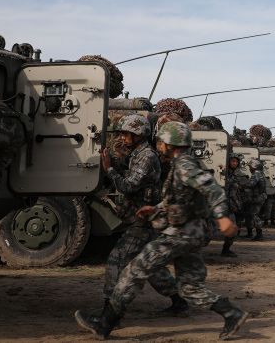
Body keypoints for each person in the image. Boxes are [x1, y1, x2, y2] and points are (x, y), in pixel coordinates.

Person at [74, 121, 248, 340]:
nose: (158, 145)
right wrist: (156, 208)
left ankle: (105, 323)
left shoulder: (184, 165)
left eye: (161, 141)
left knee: (134, 270)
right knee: (189, 287)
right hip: (192, 233)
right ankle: (232, 313)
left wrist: (223, 218)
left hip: (180, 233)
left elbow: (211, 188)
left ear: (169, 143)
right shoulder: (182, 163)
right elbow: (181, 198)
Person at [100, 114, 187, 318]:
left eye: (127, 133)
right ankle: (179, 301)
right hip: (143, 218)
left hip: (143, 221)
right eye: (121, 133)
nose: (122, 137)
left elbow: (129, 186)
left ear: (139, 134)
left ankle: (108, 313)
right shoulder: (138, 153)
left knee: (117, 260)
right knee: (150, 265)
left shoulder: (147, 156)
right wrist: (117, 163)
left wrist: (110, 169)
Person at [222, 153, 244, 257]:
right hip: (222, 205)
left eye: (236, 161)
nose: (234, 163)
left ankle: (226, 250)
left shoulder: (233, 174)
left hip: (229, 207)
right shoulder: (224, 174)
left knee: (232, 229)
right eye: (232, 161)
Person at [244, 158, 267, 241]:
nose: (249, 168)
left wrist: (242, 184)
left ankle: (259, 234)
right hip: (259, 197)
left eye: (250, 166)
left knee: (254, 215)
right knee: (251, 214)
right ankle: (251, 233)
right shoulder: (260, 173)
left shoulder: (256, 174)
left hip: (257, 198)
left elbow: (251, 184)